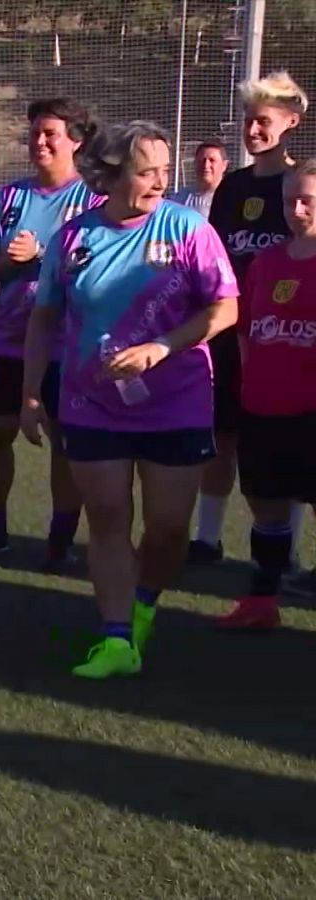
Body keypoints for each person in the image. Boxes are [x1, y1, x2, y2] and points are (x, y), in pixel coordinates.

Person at [22, 121, 239, 679]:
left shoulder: (189, 228)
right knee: (109, 517)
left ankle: (143, 603)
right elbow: (45, 316)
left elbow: (225, 310)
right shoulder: (74, 238)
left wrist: (160, 348)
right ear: (112, 173)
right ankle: (116, 636)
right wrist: (30, 391)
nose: (160, 182)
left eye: (164, 170)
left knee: (167, 528)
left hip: (178, 401)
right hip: (90, 402)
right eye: (147, 171)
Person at [0, 98, 102, 568]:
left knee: (65, 442)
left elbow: (100, 268)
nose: (39, 142)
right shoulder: (9, 198)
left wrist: (48, 256)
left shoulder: (93, 201)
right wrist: (12, 261)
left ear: (76, 142)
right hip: (8, 338)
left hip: (67, 343)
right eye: (35, 133)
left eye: (50, 134)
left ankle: (60, 541)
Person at [195, 72, 307, 564]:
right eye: (248, 120)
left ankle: (289, 554)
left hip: (284, 338)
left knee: (293, 446)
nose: (253, 129)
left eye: (264, 121)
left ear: (290, 123)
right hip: (229, 331)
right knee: (221, 436)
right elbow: (215, 256)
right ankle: (207, 538)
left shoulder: (302, 185)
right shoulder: (232, 186)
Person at [215, 158, 316, 629]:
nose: (296, 209)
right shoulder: (267, 261)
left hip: (310, 411)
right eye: (290, 200)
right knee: (266, 504)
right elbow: (247, 332)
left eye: (308, 201)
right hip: (262, 406)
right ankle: (261, 602)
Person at [170, 141, 228, 217]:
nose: (206, 165)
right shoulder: (180, 198)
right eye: (202, 160)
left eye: (212, 160)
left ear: (224, 165)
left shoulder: (230, 199)